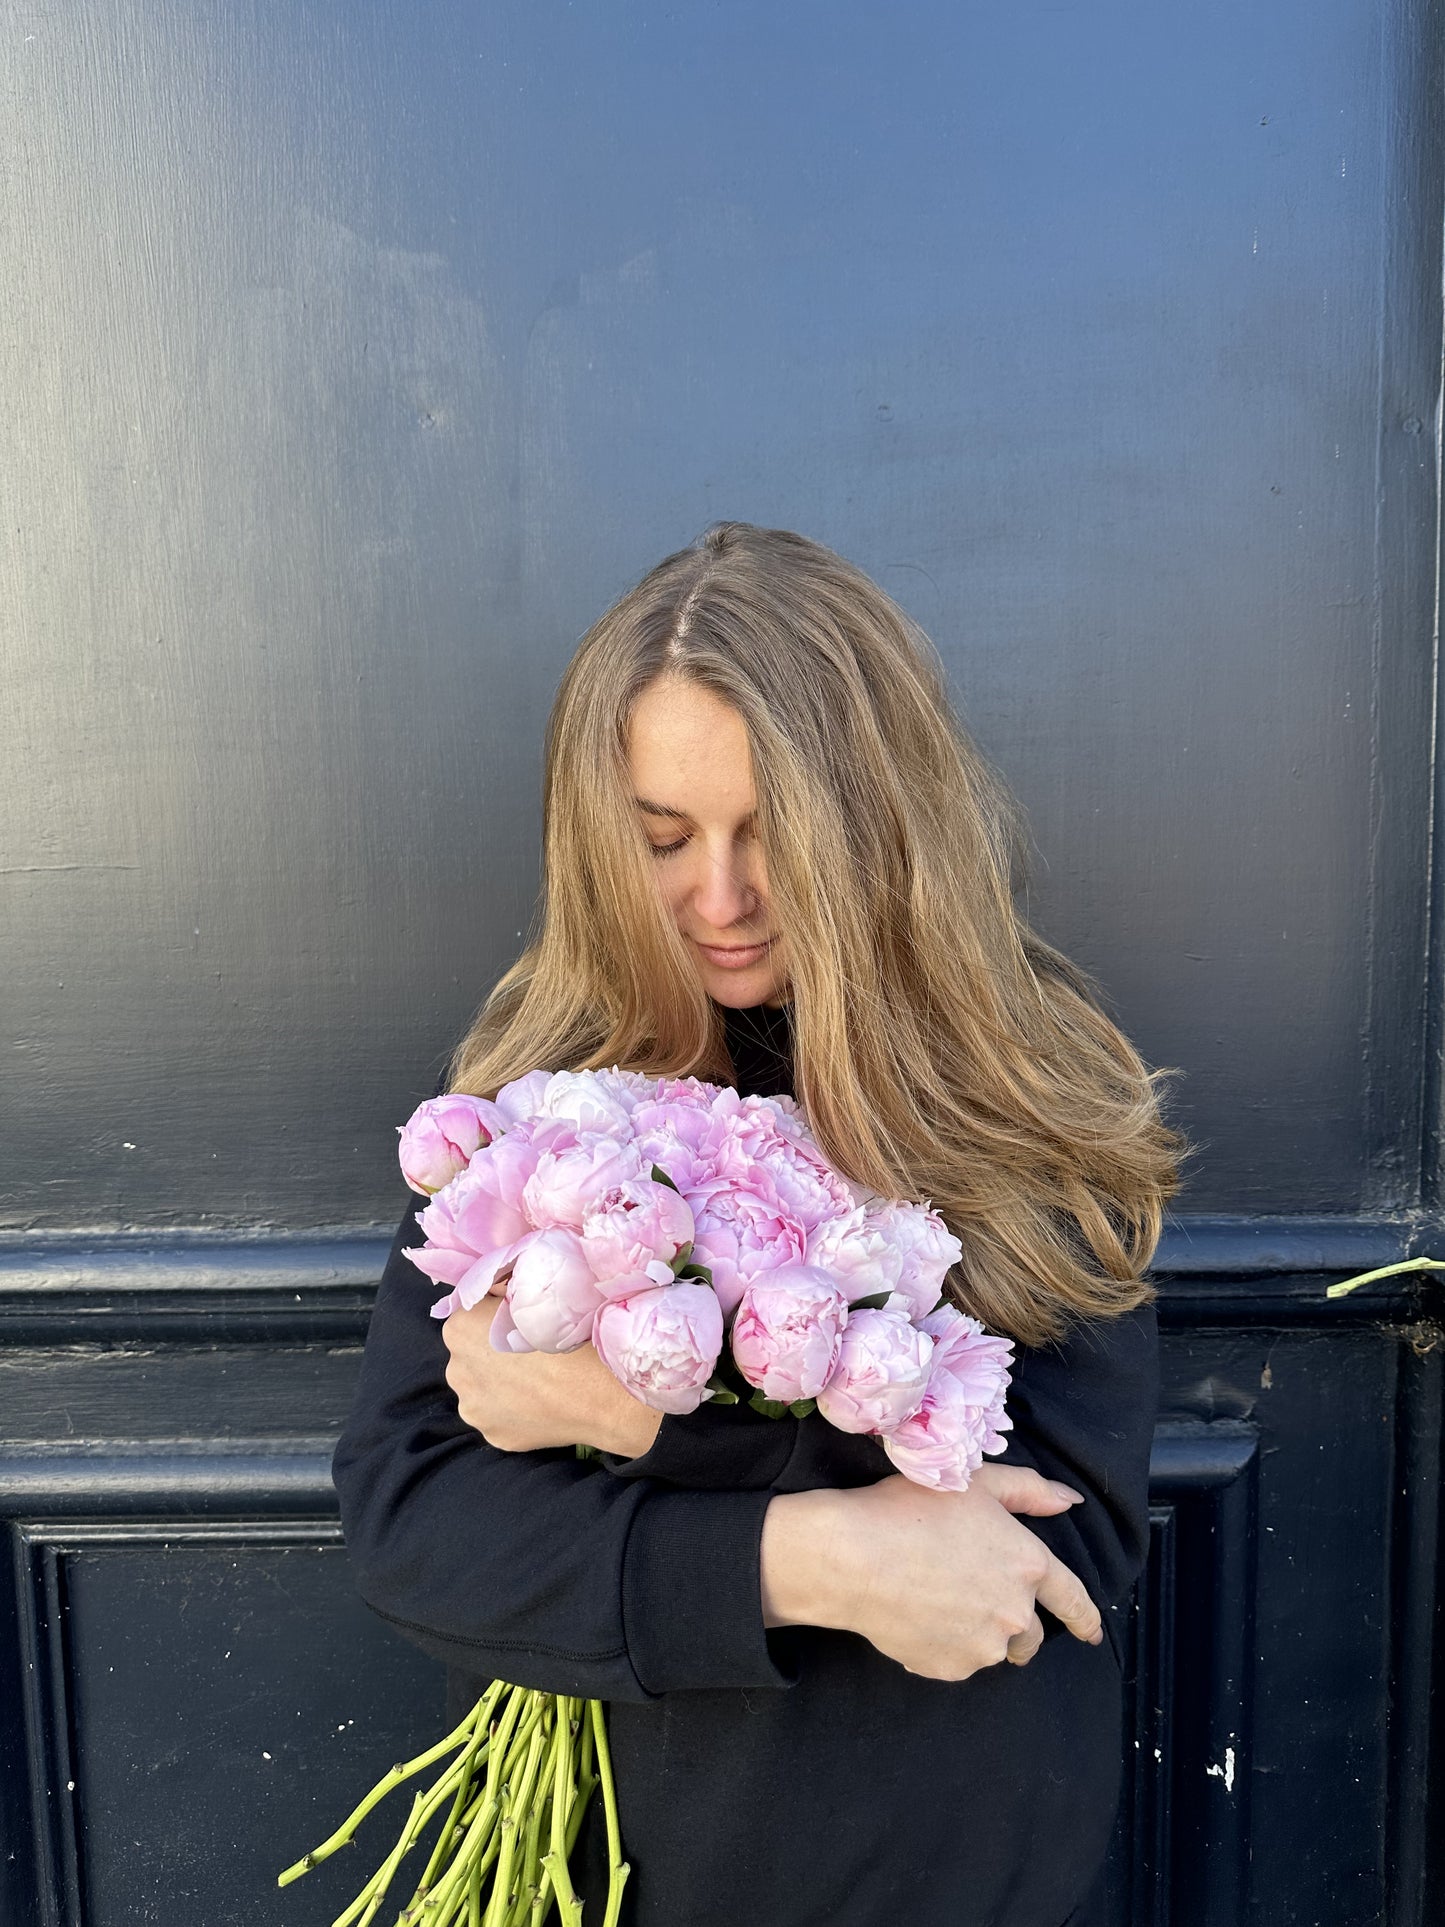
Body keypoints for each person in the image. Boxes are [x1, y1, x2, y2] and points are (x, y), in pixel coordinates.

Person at [331, 521, 1188, 1927]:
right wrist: (808, 1555)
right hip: (614, 1872)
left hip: (949, 1875)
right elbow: (417, 1527)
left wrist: (652, 1430)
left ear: (874, 834)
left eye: (771, 839)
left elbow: (1049, 1556)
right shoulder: (539, 1106)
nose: (719, 900)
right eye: (661, 840)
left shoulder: (1030, 1097)